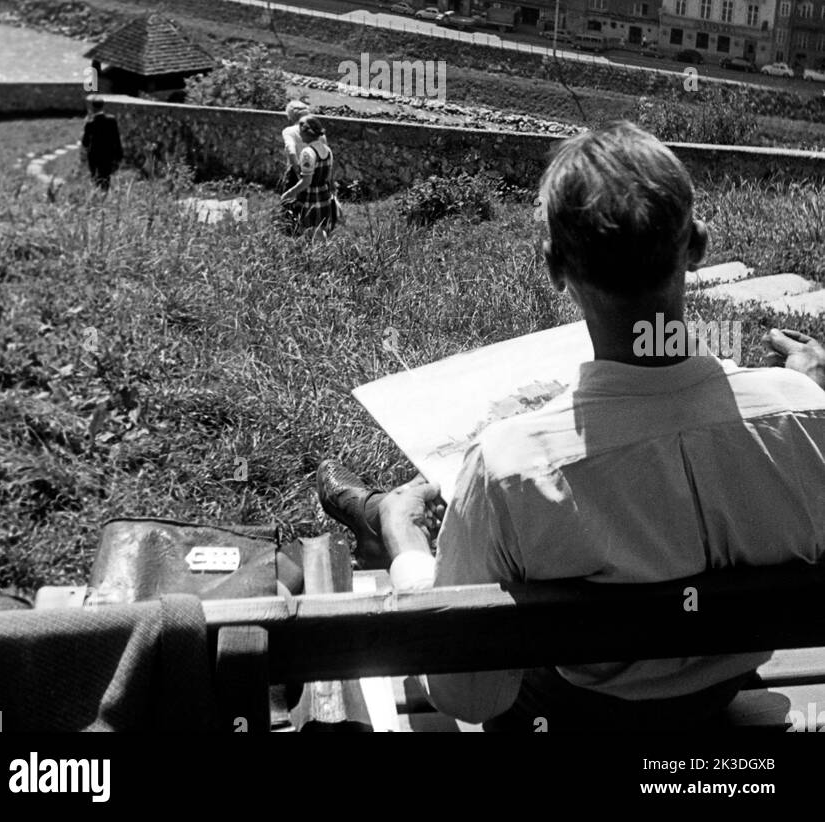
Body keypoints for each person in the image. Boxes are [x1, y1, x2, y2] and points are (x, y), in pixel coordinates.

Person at [317, 123, 825, 730]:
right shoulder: (806, 414)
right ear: (697, 246)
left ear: (557, 268)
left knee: (420, 538)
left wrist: (405, 547)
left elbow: (467, 697)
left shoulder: (508, 467)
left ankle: (384, 516)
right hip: (720, 696)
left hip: (566, 716)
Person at [281, 114, 338, 238]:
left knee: (308, 229)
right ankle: (323, 251)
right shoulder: (327, 150)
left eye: (301, 132)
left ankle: (313, 253)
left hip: (309, 196)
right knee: (321, 228)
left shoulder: (307, 153)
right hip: (324, 194)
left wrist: (289, 193)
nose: (300, 136)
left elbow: (306, 181)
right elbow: (329, 176)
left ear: (307, 133)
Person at [80, 97, 123, 194]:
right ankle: (105, 195)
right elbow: (116, 138)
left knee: (95, 178)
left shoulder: (90, 123)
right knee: (106, 177)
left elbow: (85, 143)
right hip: (108, 155)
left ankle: (97, 197)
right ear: (103, 106)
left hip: (94, 156)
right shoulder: (111, 121)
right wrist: (119, 154)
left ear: (92, 107)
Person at [279, 100, 309, 232]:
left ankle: (289, 229)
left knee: (289, 199)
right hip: (315, 169)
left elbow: (291, 151)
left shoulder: (289, 131)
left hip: (297, 168)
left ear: (290, 116)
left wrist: (297, 170)